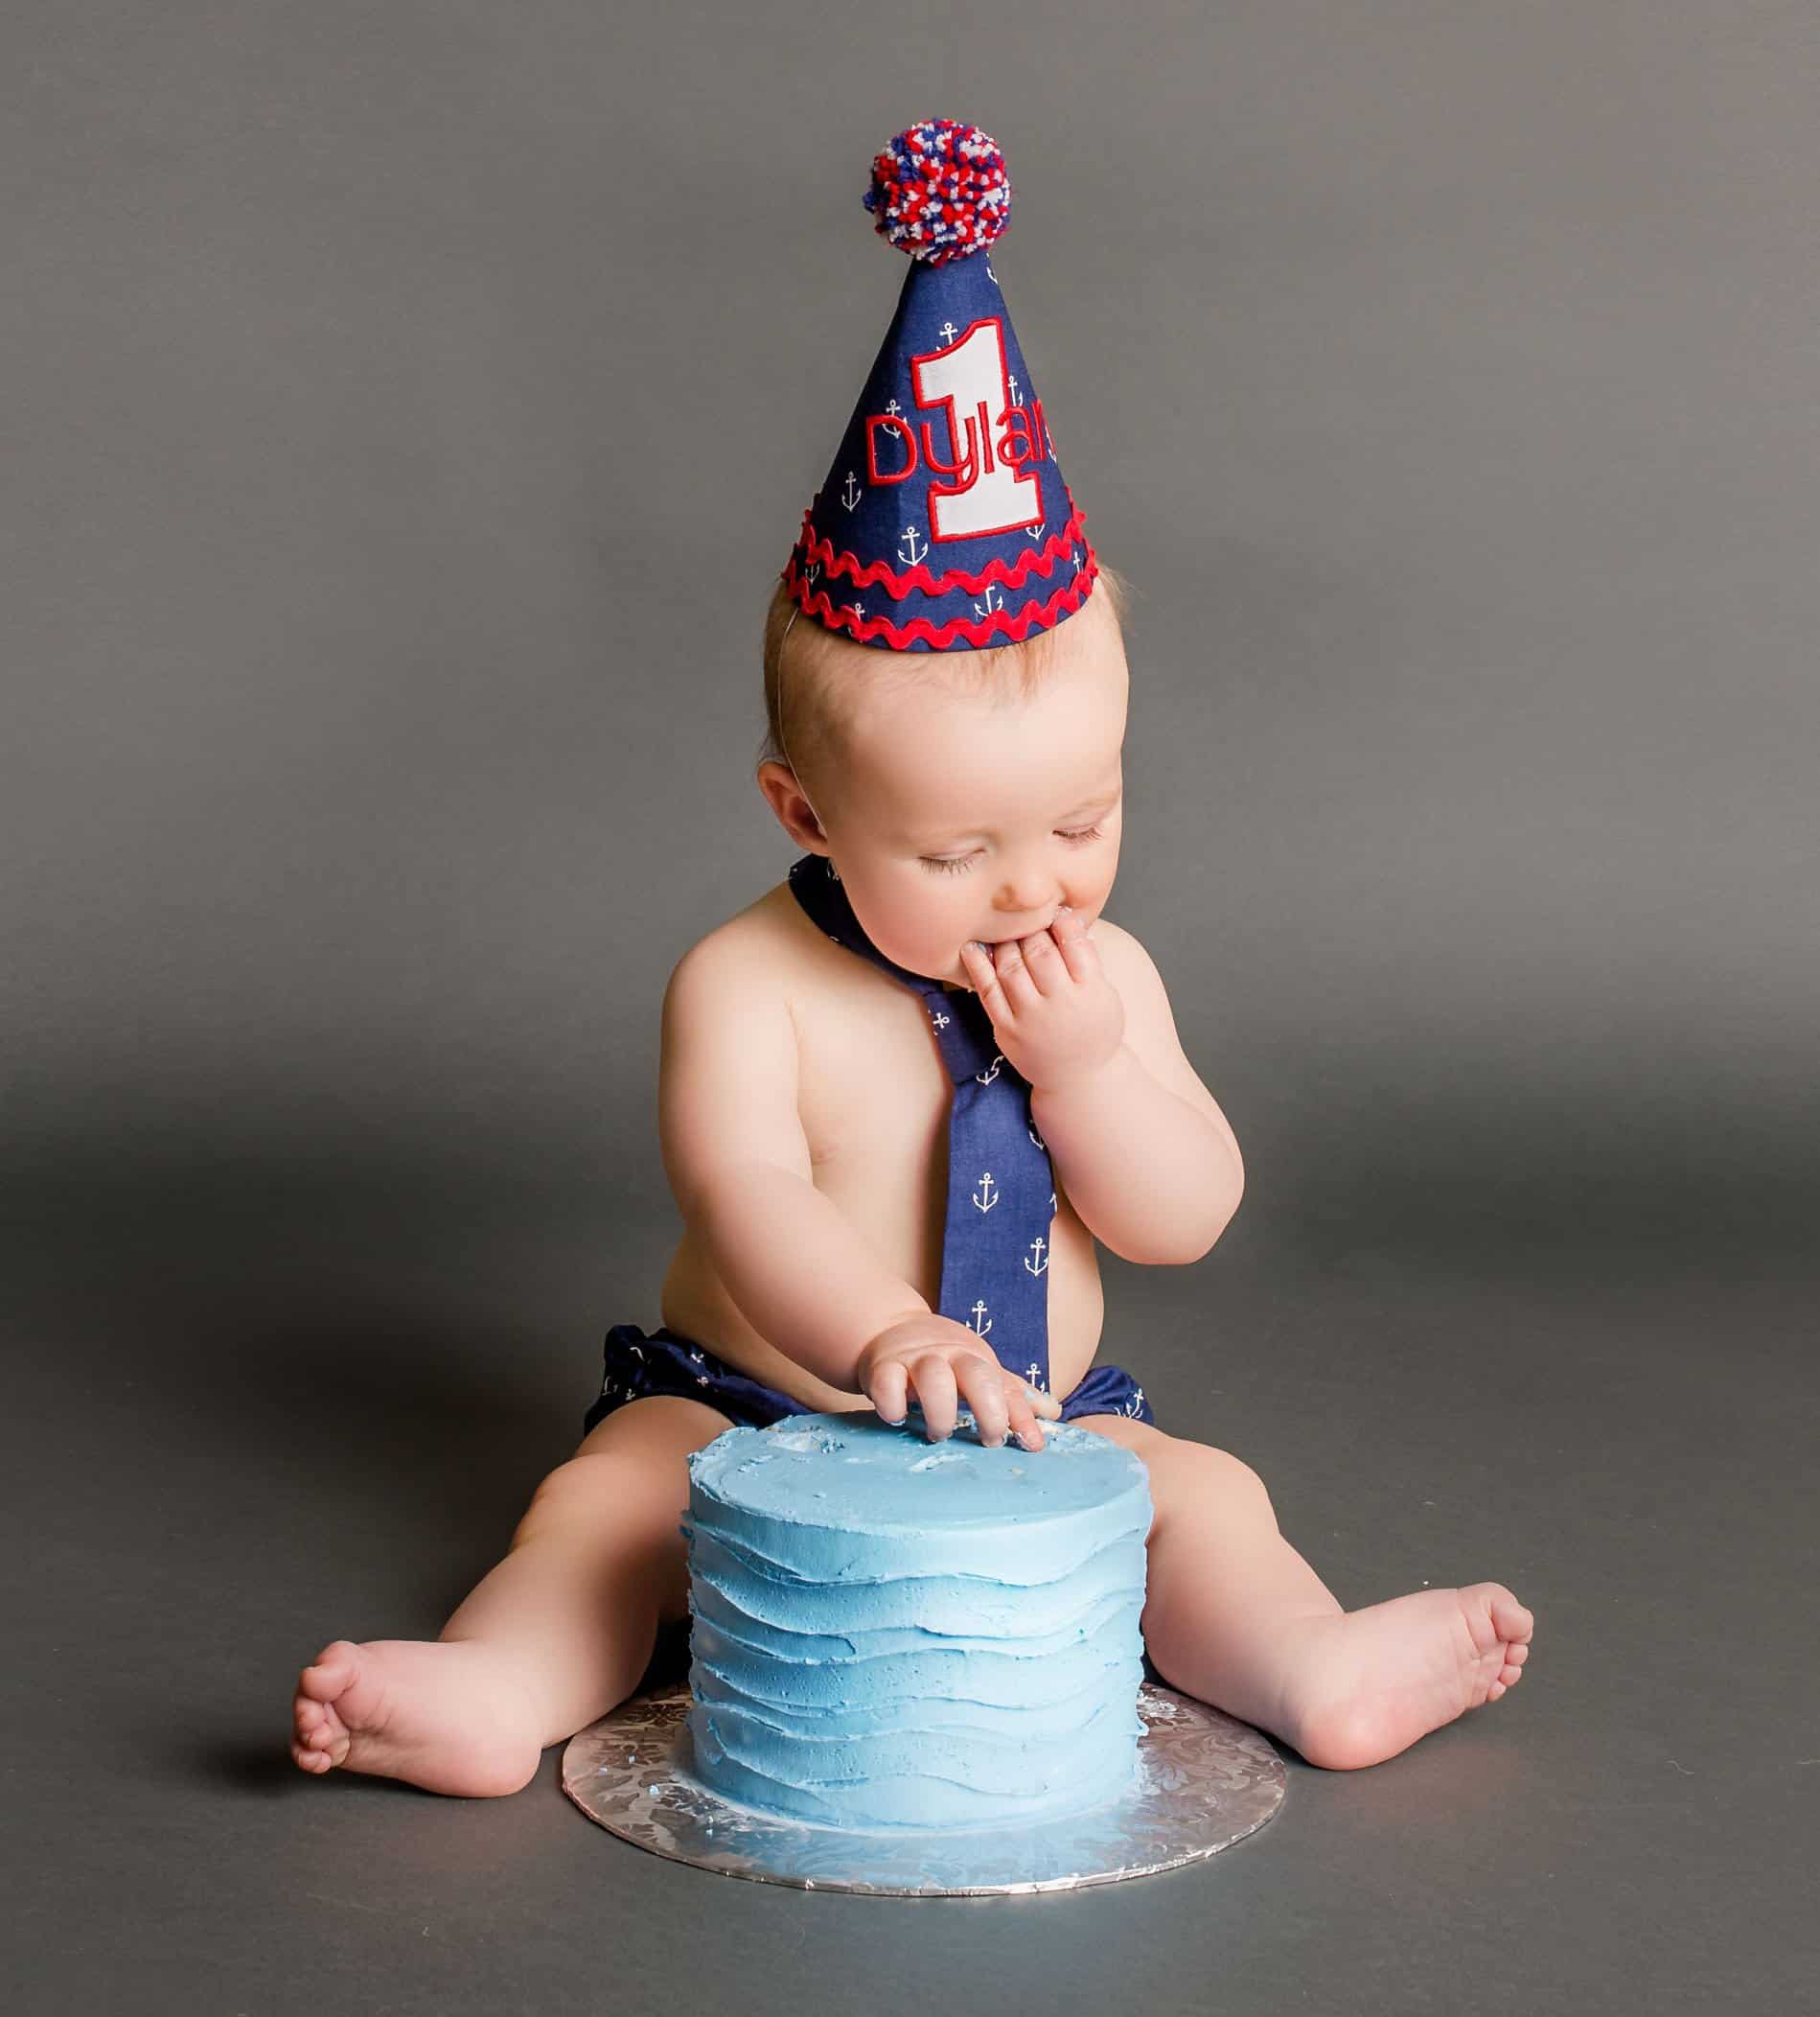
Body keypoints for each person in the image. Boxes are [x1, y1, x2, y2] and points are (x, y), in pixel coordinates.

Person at [290, 120, 1532, 1797]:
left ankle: (1316, 1671)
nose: (1035, 887)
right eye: (955, 855)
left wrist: (1091, 1072)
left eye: (1084, 820)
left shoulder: (1107, 978)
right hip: (756, 1400)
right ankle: (499, 1695)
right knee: (607, 1510)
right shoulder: (744, 985)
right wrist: (880, 1336)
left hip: (1036, 1409)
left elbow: (1184, 1216)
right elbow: (749, 1198)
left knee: (1204, 1498)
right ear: (803, 810)